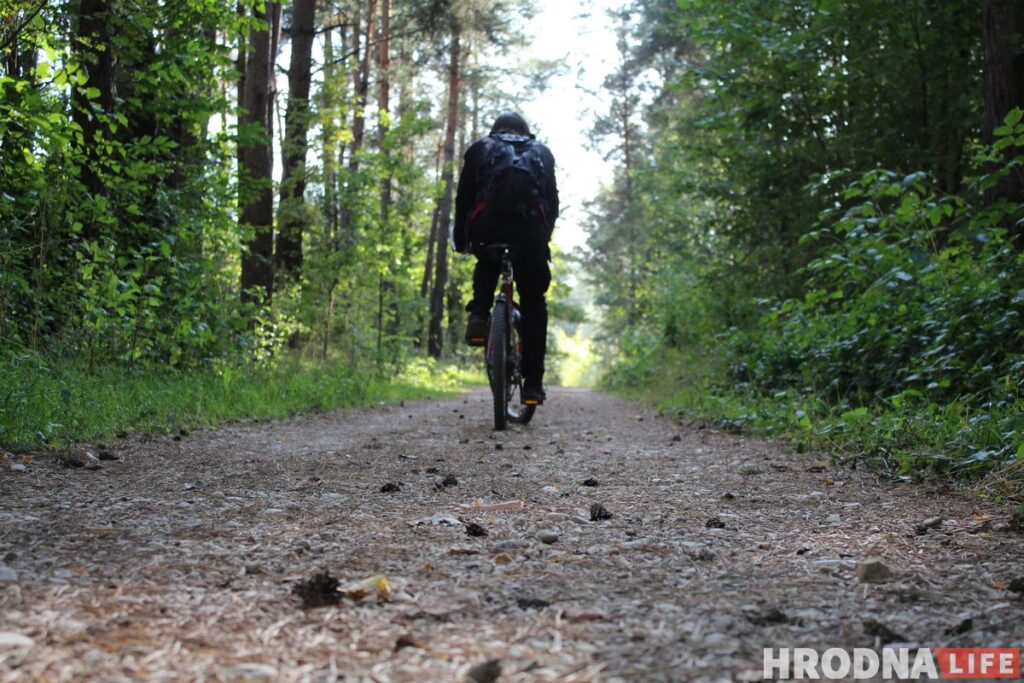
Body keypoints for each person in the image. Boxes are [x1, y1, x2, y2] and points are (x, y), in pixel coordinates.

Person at [453, 112, 559, 405]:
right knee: (534, 301)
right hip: (530, 233)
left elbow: (464, 198)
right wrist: (542, 240)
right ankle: (533, 384)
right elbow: (552, 203)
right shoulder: (542, 153)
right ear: (526, 131)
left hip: (488, 227)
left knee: (486, 259)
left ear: (496, 130)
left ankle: (478, 317)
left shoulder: (481, 148)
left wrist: (463, 241)